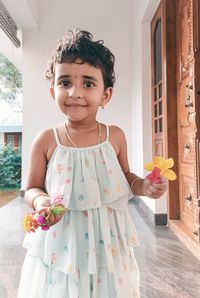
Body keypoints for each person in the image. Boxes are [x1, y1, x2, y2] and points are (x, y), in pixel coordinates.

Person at [18, 29, 167, 298]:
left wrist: (144, 187)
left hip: (106, 242)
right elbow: (31, 188)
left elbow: (126, 178)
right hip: (62, 241)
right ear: (53, 91)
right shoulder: (46, 141)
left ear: (105, 95)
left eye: (88, 83)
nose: (75, 92)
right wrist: (41, 202)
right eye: (65, 82)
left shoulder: (114, 136)